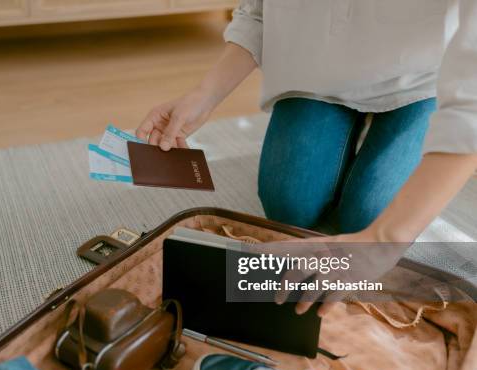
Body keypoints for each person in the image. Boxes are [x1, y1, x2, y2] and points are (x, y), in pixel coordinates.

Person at [136, 1, 477, 315]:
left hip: (421, 83)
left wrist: (381, 241)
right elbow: (259, 12)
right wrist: (204, 96)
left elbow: (471, 106)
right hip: (317, 79)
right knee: (289, 207)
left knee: (370, 215)